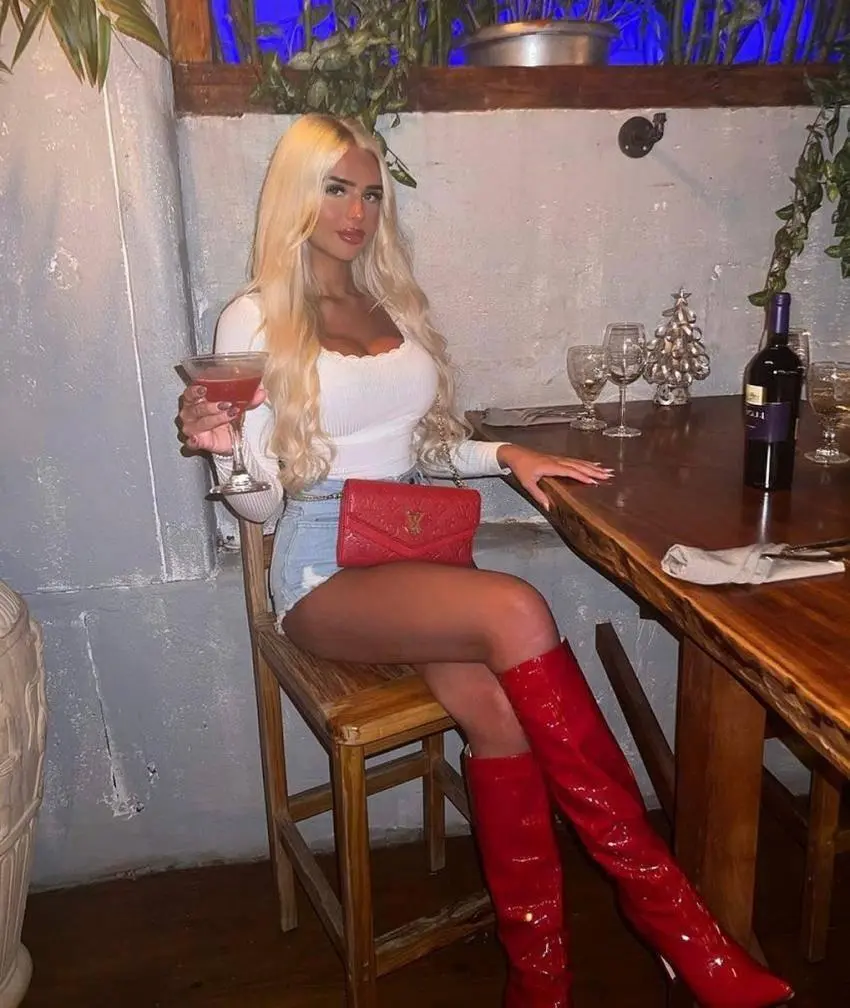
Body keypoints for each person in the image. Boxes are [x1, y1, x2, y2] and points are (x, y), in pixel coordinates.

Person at [177, 114, 792, 1008]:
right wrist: (226, 452)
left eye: (371, 193)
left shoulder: (390, 303)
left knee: (501, 718)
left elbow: (424, 446)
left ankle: (539, 983)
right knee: (515, 608)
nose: (357, 212)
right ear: (296, 194)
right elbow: (264, 507)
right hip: (321, 569)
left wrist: (505, 455)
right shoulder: (255, 317)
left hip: (408, 546)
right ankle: (677, 923)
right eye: (337, 189)